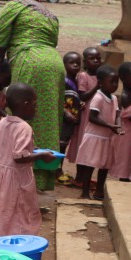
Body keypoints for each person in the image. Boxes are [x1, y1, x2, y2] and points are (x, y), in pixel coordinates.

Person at [0, 0, 65, 191]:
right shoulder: (49, 14)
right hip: (55, 65)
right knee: (47, 121)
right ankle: (39, 181)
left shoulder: (14, 7)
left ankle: (13, 177)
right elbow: (51, 42)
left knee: (19, 119)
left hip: (29, 62)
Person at [0, 83, 59, 236]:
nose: (36, 108)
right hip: (13, 179)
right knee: (15, 212)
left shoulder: (2, 122)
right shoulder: (24, 127)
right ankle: (11, 242)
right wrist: (42, 155)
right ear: (26, 104)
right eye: (35, 104)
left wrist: (33, 150)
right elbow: (19, 157)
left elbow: (7, 148)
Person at [75, 65, 121, 200]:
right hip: (94, 137)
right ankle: (84, 192)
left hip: (106, 137)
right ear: (100, 83)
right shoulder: (98, 98)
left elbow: (117, 113)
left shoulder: (114, 98)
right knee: (89, 165)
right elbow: (92, 117)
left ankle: (99, 191)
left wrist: (118, 125)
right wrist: (109, 125)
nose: (115, 85)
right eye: (112, 81)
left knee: (104, 166)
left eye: (116, 82)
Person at [67, 47, 102, 165]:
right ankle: (79, 177)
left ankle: (83, 176)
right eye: (92, 59)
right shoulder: (83, 76)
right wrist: (97, 87)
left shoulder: (101, 75)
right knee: (83, 140)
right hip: (86, 113)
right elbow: (82, 96)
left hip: (96, 111)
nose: (96, 61)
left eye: (98, 58)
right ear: (85, 62)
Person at [113, 63, 131, 181]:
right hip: (127, 133)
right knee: (125, 158)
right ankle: (124, 180)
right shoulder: (125, 95)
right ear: (124, 79)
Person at [58, 52, 83, 184]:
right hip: (64, 118)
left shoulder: (76, 81)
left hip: (71, 119)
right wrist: (66, 114)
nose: (75, 65)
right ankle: (57, 170)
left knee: (64, 144)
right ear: (64, 64)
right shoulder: (64, 81)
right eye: (71, 63)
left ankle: (58, 169)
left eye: (78, 63)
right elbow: (57, 99)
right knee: (60, 145)